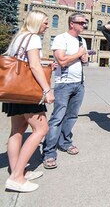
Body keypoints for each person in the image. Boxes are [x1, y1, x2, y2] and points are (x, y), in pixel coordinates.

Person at [3, 11, 54, 192]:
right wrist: (47, 89)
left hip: (14, 89)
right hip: (27, 92)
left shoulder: (20, 36)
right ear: (37, 22)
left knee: (17, 131)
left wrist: (46, 63)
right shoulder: (33, 38)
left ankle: (17, 170)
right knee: (41, 129)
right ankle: (17, 178)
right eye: (46, 23)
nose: (47, 26)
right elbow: (33, 65)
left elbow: (24, 61)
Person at [42, 12, 88, 169]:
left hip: (79, 83)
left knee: (72, 116)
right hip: (64, 84)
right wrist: (79, 54)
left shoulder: (82, 40)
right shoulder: (61, 38)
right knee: (57, 118)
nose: (84, 25)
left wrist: (84, 57)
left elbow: (84, 59)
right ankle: (49, 152)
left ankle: (65, 142)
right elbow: (61, 61)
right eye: (81, 23)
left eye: (85, 22)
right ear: (72, 24)